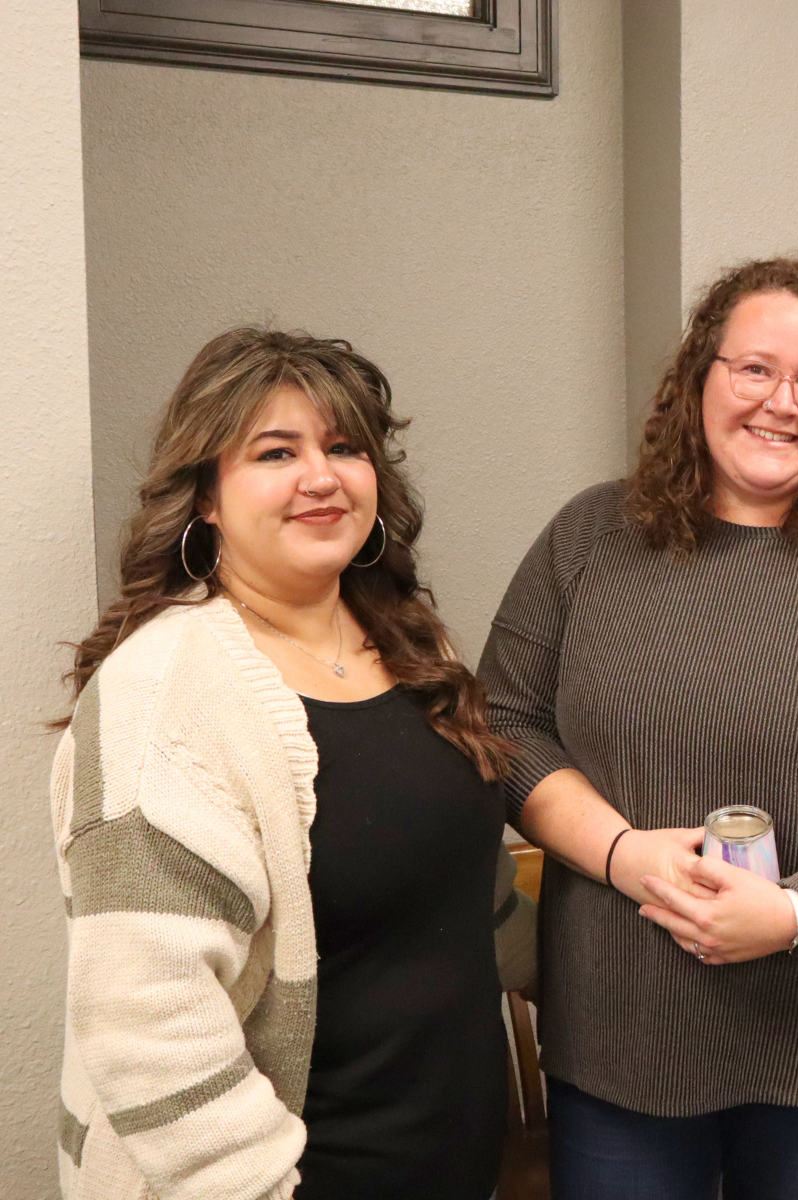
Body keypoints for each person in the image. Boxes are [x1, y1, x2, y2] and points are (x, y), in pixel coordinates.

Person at [477, 257, 798, 1200]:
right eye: (754, 369)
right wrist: (622, 851)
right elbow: (503, 723)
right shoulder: (588, 539)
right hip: (624, 1029)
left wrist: (797, 912)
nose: (780, 402)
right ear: (700, 378)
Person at [52, 328, 533, 1200]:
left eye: (344, 447)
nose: (322, 475)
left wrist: (613, 975)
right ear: (205, 496)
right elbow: (143, 1024)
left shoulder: (413, 645)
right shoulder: (163, 695)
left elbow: (459, 891)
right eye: (277, 451)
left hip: (452, 1165)